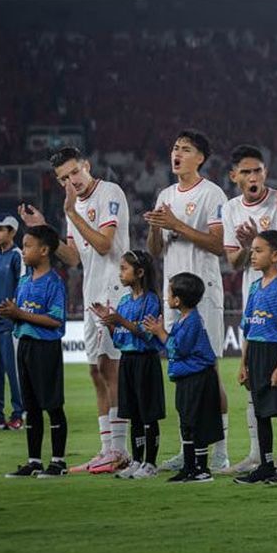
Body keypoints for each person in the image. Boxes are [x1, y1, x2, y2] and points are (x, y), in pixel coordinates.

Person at [18, 147, 132, 474]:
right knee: (95, 371)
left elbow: (105, 244)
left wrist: (72, 212)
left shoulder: (110, 192)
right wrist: (45, 227)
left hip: (114, 290)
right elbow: (73, 258)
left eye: (74, 173)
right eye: (63, 178)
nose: (71, 181)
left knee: (111, 370)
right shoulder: (74, 207)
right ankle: (106, 448)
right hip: (91, 292)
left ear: (87, 165)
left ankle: (120, 450)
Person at [145, 131, 231, 471]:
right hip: (173, 294)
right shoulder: (165, 194)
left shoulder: (212, 194)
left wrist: (176, 222)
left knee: (209, 371)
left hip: (203, 293)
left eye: (186, 149)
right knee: (180, 371)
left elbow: (217, 244)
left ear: (200, 159)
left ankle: (221, 450)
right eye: (175, 148)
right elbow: (155, 251)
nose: (177, 153)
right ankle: (189, 448)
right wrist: (155, 227)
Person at [222, 145, 277, 475]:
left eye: (258, 170)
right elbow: (233, 261)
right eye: (246, 172)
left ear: (265, 173)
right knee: (255, 379)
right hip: (255, 298)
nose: (253, 177)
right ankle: (259, 455)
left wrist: (259, 239)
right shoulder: (230, 209)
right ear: (234, 177)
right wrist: (247, 247)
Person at [233, 231, 277, 487]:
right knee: (261, 413)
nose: (252, 254)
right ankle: (265, 465)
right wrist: (244, 364)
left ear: (275, 256)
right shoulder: (253, 286)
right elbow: (248, 328)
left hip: (275, 352)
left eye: (258, 250)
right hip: (256, 355)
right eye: (252, 250)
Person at [0, 225, 68, 478]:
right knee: (31, 404)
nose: (24, 250)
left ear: (44, 250)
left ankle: (58, 462)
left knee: (52, 404)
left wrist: (19, 313)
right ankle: (34, 461)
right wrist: (10, 313)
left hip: (45, 347)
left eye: (28, 246)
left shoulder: (54, 282)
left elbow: (56, 320)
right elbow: (21, 312)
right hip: (25, 345)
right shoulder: (25, 280)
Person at [143, 273, 222, 484]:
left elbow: (179, 348)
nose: (166, 297)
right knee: (186, 422)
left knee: (197, 423)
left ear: (178, 300)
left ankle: (201, 469)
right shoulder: (183, 320)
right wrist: (156, 333)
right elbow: (171, 347)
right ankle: (189, 467)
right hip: (186, 379)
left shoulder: (192, 321)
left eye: (169, 293)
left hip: (198, 379)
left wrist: (160, 333)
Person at [93, 250, 164, 480]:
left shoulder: (151, 300)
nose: (120, 273)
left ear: (140, 272)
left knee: (148, 414)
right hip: (127, 361)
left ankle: (150, 462)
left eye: (124, 268)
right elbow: (121, 338)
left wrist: (119, 320)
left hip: (146, 362)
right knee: (133, 413)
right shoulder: (124, 301)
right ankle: (136, 460)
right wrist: (110, 323)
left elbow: (146, 334)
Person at [0, 214, 23, 431]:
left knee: (13, 372)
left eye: (1, 229)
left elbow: (22, 287)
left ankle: (19, 413)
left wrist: (16, 314)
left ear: (12, 232)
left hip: (8, 326)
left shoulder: (18, 256)